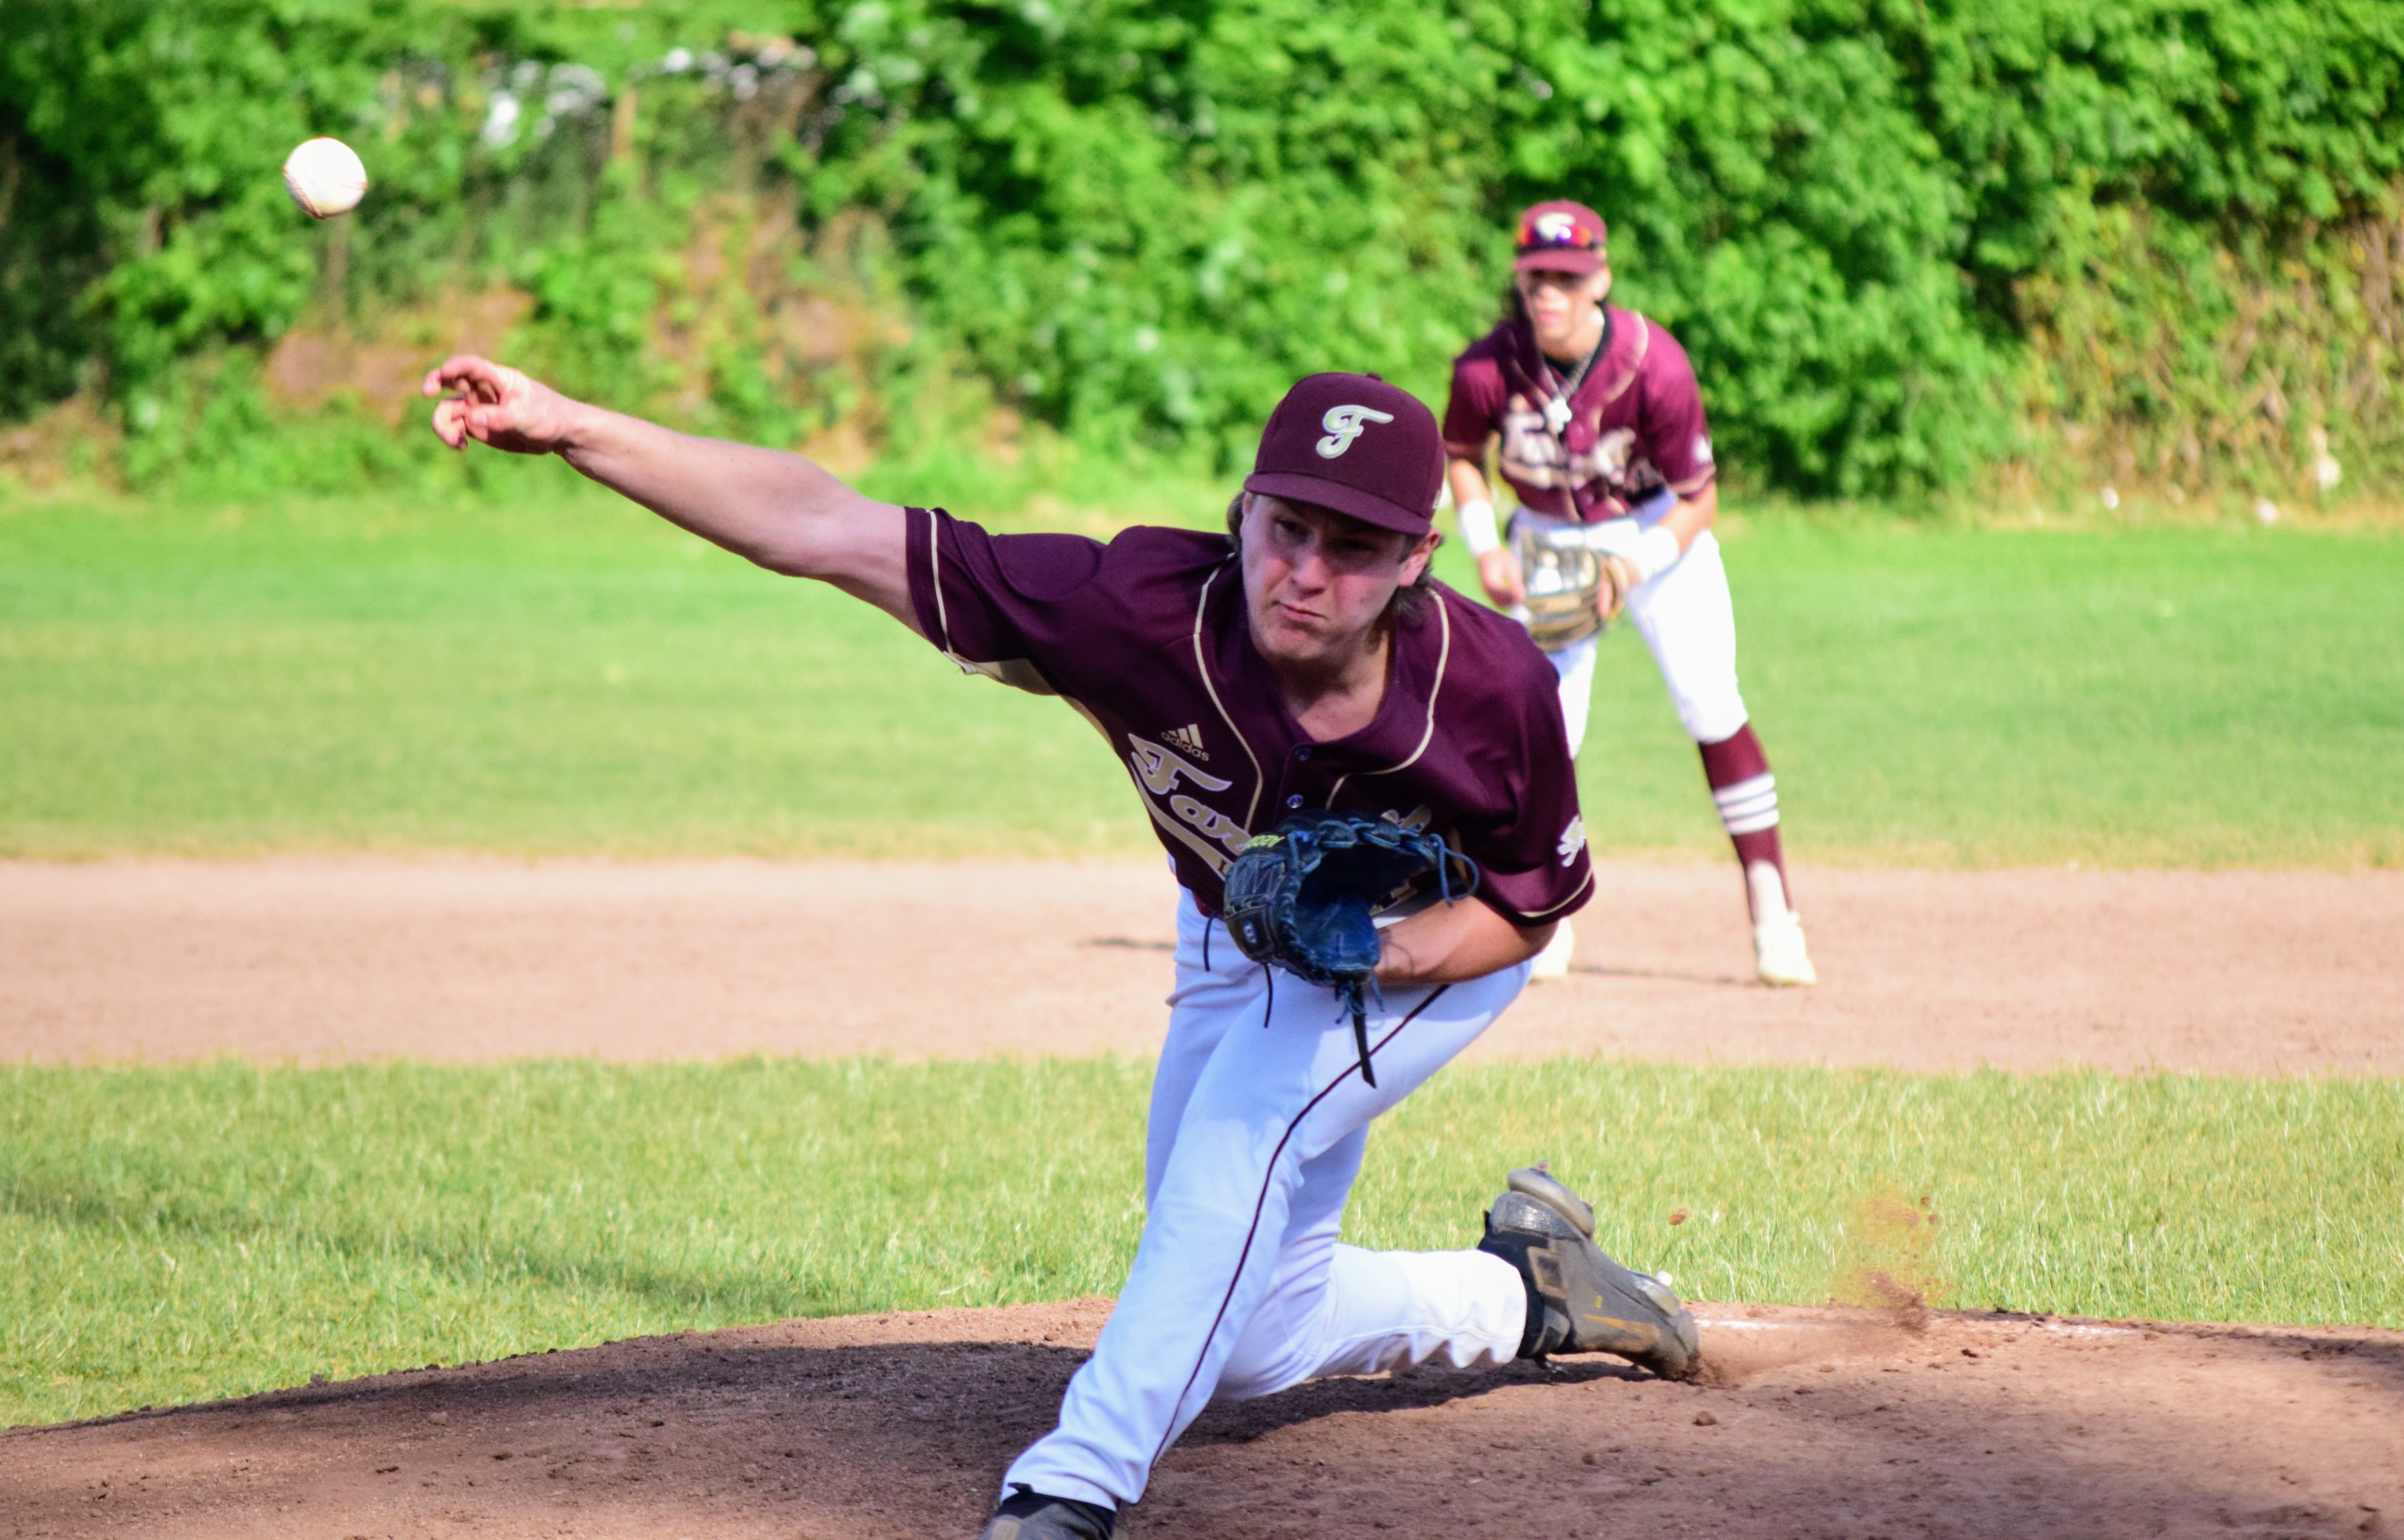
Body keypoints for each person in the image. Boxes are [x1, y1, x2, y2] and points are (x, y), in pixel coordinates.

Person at [422, 356, 1700, 1540]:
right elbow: (826, 525)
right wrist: (575, 426)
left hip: (1436, 948)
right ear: (1242, 510)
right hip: (1231, 932)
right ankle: (1531, 1290)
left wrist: (1385, 951)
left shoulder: (1490, 696)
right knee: (1253, 1327)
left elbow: (1531, 908)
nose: (1303, 573)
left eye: (1353, 548)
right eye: (1285, 527)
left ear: (1420, 556)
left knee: (1235, 1145)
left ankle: (1070, 1484)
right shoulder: (1132, 612)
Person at [1442, 198, 1817, 987]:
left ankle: (1772, 911)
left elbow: (1699, 496)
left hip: (1655, 535)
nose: (1551, 291)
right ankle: (1547, 917)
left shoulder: (1655, 364)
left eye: (1569, 277)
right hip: (1543, 540)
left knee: (1710, 704)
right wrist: (1484, 547)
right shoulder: (1487, 365)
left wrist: (1635, 564)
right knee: (1544, 729)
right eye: (1538, 276)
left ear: (1601, 279)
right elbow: (1462, 455)